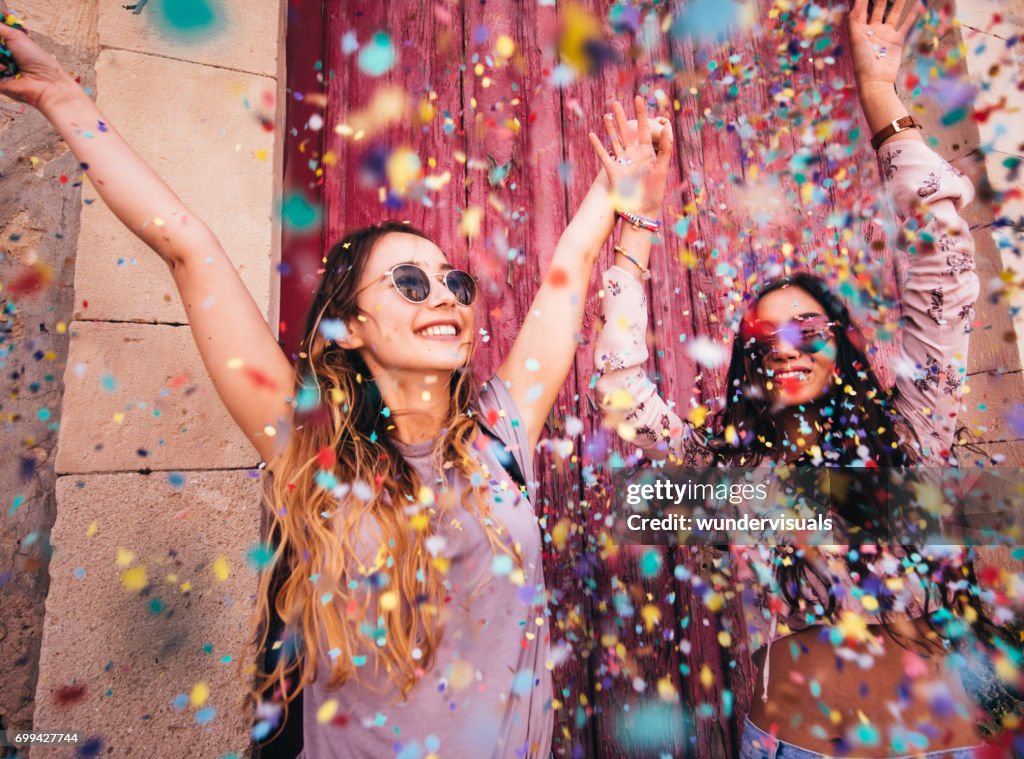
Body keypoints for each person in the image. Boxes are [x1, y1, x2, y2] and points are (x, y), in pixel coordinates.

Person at [0, 4, 676, 756]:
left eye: (452, 281)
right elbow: (186, 246)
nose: (446, 296)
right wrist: (62, 95)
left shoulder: (500, 434)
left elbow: (569, 273)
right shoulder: (307, 448)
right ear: (349, 326)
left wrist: (628, 199)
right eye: (410, 284)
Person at [594, 1, 1001, 756]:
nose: (785, 347)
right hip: (786, 744)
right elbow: (620, 392)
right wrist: (638, 223)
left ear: (840, 345)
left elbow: (944, 265)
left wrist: (881, 94)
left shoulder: (915, 435)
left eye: (807, 329)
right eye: (762, 334)